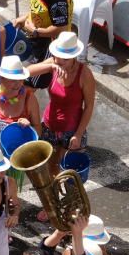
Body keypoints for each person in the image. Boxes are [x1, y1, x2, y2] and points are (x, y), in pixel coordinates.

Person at [26, 32, 95, 172]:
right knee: (51, 166)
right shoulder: (54, 63)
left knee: (67, 170)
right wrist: (50, 67)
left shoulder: (85, 74)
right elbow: (26, 71)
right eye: (58, 57)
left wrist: (78, 134)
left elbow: (89, 107)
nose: (60, 61)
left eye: (65, 59)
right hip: (49, 125)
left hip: (72, 129)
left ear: (74, 57)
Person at [12, 0, 72, 89]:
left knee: (29, 86)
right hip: (37, 41)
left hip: (48, 46)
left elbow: (60, 28)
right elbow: (43, 9)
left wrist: (35, 31)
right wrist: (25, 18)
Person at [0, 55, 42, 148]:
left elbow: (38, 129)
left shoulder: (29, 98)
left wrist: (29, 128)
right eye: (13, 80)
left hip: (17, 156)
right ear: (1, 78)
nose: (18, 84)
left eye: (21, 79)